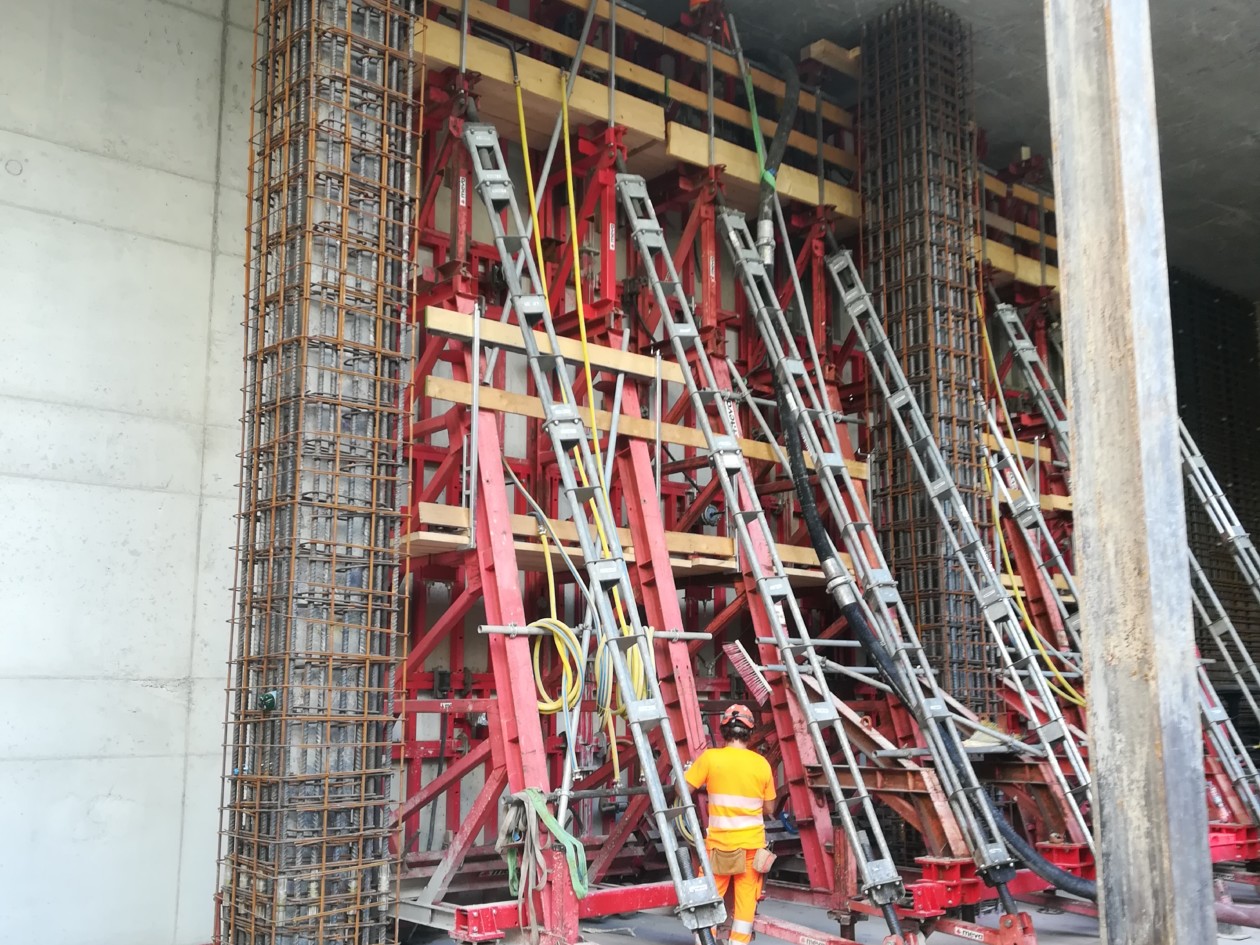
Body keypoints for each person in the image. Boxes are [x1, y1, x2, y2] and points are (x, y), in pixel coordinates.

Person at [685, 704, 775, 945]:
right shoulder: (761, 764)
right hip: (751, 847)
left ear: (723, 730)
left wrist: (688, 773)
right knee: (745, 904)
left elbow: (683, 789)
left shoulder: (710, 759)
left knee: (708, 900)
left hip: (719, 846)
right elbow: (769, 808)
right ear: (749, 732)